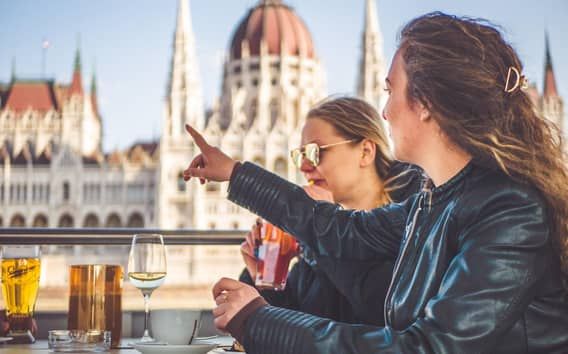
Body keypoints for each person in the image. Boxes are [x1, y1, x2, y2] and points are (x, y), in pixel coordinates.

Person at [184, 12, 568, 354]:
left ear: (427, 104)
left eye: (389, 91)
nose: (383, 111)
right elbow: (339, 229)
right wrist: (235, 174)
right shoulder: (431, 200)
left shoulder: (513, 211)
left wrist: (258, 319)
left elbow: (429, 347)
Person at [238, 97, 422, 326]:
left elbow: (387, 314)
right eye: (300, 155)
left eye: (316, 152)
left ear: (365, 151)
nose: (305, 167)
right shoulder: (313, 237)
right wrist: (266, 283)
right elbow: (301, 329)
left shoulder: (414, 220)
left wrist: (321, 226)